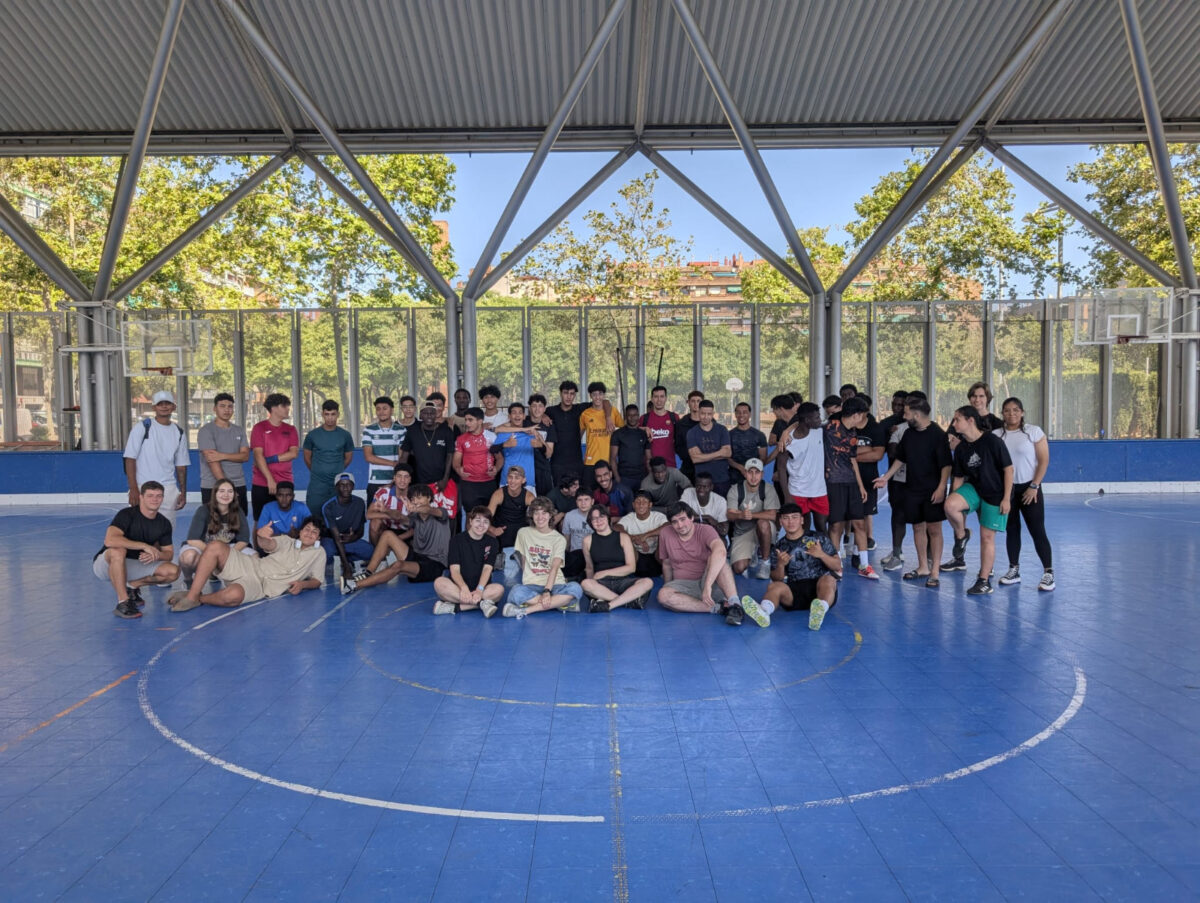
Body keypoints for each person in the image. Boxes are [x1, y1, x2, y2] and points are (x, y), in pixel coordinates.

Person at [166, 517, 324, 612]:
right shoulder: (287, 541)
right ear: (300, 532)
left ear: (318, 538)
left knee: (233, 596)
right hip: (251, 565)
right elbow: (268, 545)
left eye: (314, 531)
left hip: (261, 586)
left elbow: (317, 580)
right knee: (215, 546)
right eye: (307, 529)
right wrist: (261, 536)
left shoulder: (319, 553)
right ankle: (192, 594)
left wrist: (303, 584)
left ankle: (197, 598)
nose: (309, 533)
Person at [873, 395, 951, 588]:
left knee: (934, 529)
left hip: (932, 490)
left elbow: (946, 465)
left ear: (916, 414)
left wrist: (941, 488)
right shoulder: (908, 433)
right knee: (917, 527)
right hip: (912, 488)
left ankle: (934, 571)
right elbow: (901, 458)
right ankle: (923, 566)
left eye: (907, 413)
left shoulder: (938, 435)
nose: (903, 416)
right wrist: (886, 477)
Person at [943, 406, 1014, 595]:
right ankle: (962, 535)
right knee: (950, 505)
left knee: (986, 537)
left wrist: (1006, 499)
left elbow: (1008, 469)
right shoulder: (961, 448)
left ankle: (983, 581)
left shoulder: (992, 441)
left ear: (970, 421)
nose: (953, 423)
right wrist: (954, 498)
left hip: (996, 493)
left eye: (957, 419)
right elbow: (958, 477)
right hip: (975, 488)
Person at [93, 480, 180, 619]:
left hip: (134, 565)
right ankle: (123, 602)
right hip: (106, 564)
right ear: (141, 497)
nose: (155, 499)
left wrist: (157, 555)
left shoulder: (164, 523)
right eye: (150, 495)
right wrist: (144, 546)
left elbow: (169, 554)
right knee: (118, 551)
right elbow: (110, 540)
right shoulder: (126, 514)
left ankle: (132, 586)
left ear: (163, 498)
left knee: (173, 572)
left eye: (158, 496)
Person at [342, 483, 450, 593]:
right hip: (417, 557)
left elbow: (428, 510)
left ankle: (354, 585)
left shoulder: (441, 513)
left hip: (435, 564)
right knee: (387, 535)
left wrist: (416, 508)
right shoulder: (415, 517)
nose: (416, 501)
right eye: (413, 499)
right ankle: (368, 573)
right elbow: (399, 517)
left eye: (419, 498)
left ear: (429, 498)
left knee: (398, 565)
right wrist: (385, 510)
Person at [994, 397, 1054, 591]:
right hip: (1007, 491)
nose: (1011, 414)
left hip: (1030, 489)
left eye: (1015, 410)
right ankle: (1014, 570)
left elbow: (1043, 461)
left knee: (1037, 530)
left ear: (1022, 412)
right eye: (1007, 410)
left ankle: (1048, 573)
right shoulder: (996, 435)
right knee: (1012, 530)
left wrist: (1034, 486)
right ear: (1002, 414)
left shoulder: (1033, 432)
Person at [753, 502, 840, 630]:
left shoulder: (818, 538)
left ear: (802, 520)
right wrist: (781, 565)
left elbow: (837, 566)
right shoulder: (779, 546)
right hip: (795, 592)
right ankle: (764, 611)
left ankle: (820, 610)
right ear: (781, 522)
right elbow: (777, 579)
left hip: (820, 588)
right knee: (774, 586)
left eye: (794, 517)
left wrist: (822, 555)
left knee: (829, 579)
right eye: (786, 518)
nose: (791, 522)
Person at [656, 502, 747, 625]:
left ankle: (735, 605)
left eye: (683, 519)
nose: (680, 525)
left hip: (709, 581)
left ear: (691, 518)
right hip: (684, 586)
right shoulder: (665, 533)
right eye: (675, 522)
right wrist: (668, 585)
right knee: (663, 596)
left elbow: (721, 552)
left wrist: (707, 586)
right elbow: (666, 563)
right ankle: (718, 608)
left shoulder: (705, 530)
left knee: (719, 560)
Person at [823, 396, 878, 579]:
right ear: (856, 415)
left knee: (859, 523)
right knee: (836, 525)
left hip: (852, 483)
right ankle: (836, 564)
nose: (863, 419)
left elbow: (853, 459)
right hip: (833, 482)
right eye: (862, 415)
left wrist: (860, 485)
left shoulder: (853, 433)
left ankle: (864, 565)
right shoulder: (828, 428)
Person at [503, 496, 585, 617]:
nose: (540, 517)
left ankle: (526, 610)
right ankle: (560, 603)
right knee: (515, 592)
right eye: (536, 513)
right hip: (532, 584)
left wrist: (547, 591)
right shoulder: (523, 533)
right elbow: (524, 560)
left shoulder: (559, 539)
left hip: (556, 584)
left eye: (544, 513)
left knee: (576, 588)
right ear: (531, 515)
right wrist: (528, 580)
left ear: (550, 515)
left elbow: (555, 567)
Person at [123, 389, 189, 528]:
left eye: (167, 403)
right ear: (154, 407)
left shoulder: (179, 432)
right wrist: (133, 489)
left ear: (174, 406)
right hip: (143, 487)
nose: (164, 406)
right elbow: (130, 459)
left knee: (165, 530)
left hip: (168, 489)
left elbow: (181, 466)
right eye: (160, 404)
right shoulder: (142, 427)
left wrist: (183, 492)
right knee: (140, 531)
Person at [432, 506, 506, 617]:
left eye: (485, 522)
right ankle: (482, 604)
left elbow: (487, 568)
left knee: (499, 590)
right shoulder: (456, 540)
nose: (481, 525)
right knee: (439, 583)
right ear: (470, 521)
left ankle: (455, 607)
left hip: (482, 587)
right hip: (458, 587)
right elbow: (454, 570)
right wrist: (463, 588)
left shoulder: (493, 542)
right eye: (478, 520)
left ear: (489, 525)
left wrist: (479, 590)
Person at [580, 506, 654, 612]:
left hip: (623, 581)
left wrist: (604, 573)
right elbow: (589, 567)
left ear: (608, 518)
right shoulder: (587, 540)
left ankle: (609, 605)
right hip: (602, 584)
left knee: (647, 582)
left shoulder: (623, 537)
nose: (598, 521)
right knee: (585, 584)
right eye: (594, 518)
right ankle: (629, 601)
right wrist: (592, 586)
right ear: (590, 522)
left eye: (601, 516)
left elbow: (631, 568)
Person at [179, 478, 250, 585]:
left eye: (230, 491)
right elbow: (193, 540)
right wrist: (214, 554)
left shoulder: (238, 511)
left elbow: (243, 540)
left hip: (229, 548)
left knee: (253, 557)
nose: (226, 495)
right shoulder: (203, 510)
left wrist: (228, 555)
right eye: (222, 491)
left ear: (235, 494)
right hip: (204, 546)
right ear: (215, 494)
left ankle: (221, 576)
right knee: (189, 557)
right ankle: (188, 580)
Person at [400, 402, 457, 518]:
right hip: (420, 482)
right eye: (426, 413)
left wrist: (445, 479)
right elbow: (404, 457)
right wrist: (401, 478)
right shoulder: (412, 431)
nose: (429, 415)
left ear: (436, 415)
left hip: (441, 482)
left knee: (446, 515)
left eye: (432, 413)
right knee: (421, 515)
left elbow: (450, 456)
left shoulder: (446, 431)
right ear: (420, 415)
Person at [725, 458, 780, 578]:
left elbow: (772, 515)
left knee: (763, 523)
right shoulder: (735, 489)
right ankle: (753, 551)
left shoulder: (768, 489)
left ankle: (765, 562)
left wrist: (751, 515)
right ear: (745, 473)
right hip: (742, 533)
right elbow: (729, 515)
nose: (754, 476)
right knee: (739, 568)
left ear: (762, 474)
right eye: (750, 472)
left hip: (763, 530)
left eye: (757, 472)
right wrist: (740, 515)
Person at [850, 394, 888, 569]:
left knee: (864, 515)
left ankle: (858, 552)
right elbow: (841, 451)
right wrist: (866, 450)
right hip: (846, 477)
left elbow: (877, 454)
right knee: (844, 516)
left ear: (866, 411)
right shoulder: (847, 427)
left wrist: (852, 456)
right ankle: (841, 550)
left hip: (868, 478)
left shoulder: (875, 428)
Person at [250, 392, 300, 522]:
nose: (288, 408)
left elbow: (293, 453)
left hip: (285, 482)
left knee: (286, 520)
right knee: (260, 521)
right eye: (284, 406)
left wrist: (269, 459)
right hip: (261, 483)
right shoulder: (259, 428)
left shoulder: (291, 429)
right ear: (273, 408)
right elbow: (258, 455)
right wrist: (270, 479)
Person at [196, 392, 249, 512]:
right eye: (222, 406)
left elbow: (245, 456)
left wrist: (222, 455)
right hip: (213, 486)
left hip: (238, 483)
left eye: (230, 406)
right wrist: (226, 487)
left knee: (238, 520)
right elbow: (212, 460)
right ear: (215, 409)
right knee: (214, 521)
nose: (227, 410)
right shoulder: (206, 431)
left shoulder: (239, 430)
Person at [778, 402, 827, 532]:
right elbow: (781, 468)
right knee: (802, 530)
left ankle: (824, 547)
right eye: (817, 417)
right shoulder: (788, 440)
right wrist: (787, 495)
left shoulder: (819, 431)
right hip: (797, 490)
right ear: (807, 420)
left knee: (822, 527)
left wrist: (786, 430)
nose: (820, 420)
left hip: (819, 490)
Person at [303, 399, 356, 518]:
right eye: (327, 414)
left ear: (338, 414)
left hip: (337, 484)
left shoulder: (345, 435)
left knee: (336, 518)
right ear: (322, 414)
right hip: (317, 485)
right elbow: (307, 458)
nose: (330, 418)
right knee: (315, 517)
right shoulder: (312, 435)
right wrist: (318, 471)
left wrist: (336, 470)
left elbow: (348, 458)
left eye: (333, 414)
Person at [877, 390, 911, 571]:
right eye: (894, 405)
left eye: (901, 405)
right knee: (897, 512)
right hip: (896, 476)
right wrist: (890, 437)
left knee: (923, 519)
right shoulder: (887, 424)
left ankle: (928, 558)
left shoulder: (922, 427)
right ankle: (897, 551)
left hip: (918, 479)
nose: (897, 408)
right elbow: (887, 451)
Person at [487, 464, 535, 585]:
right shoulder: (498, 494)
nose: (512, 481)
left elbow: (539, 518)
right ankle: (498, 554)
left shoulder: (529, 496)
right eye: (510, 477)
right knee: (487, 532)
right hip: (501, 530)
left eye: (517, 478)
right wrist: (493, 529)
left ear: (523, 480)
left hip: (520, 531)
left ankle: (521, 552)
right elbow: (486, 518)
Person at [454, 407, 502, 522]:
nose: (467, 423)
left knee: (489, 516)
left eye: (470, 420)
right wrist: (458, 469)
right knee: (470, 517)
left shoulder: (491, 437)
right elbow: (456, 460)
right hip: (469, 484)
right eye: (466, 420)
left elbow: (500, 458)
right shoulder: (461, 439)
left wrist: (496, 469)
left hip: (488, 483)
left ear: (480, 421)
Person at [320, 472, 372, 573]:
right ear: (336, 487)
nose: (345, 488)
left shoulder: (360, 503)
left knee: (370, 552)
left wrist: (354, 537)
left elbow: (361, 531)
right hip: (333, 541)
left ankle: (348, 558)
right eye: (342, 485)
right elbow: (337, 539)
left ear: (353, 486)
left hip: (350, 541)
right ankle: (330, 562)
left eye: (348, 484)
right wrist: (346, 567)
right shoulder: (328, 506)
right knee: (326, 551)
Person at [362, 396, 407, 502]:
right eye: (378, 409)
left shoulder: (401, 430)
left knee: (396, 511)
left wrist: (395, 479)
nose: (381, 412)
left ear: (392, 410)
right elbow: (368, 457)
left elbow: (402, 457)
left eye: (385, 408)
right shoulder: (369, 430)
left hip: (396, 481)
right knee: (374, 511)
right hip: (375, 481)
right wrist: (392, 463)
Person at [580, 382, 623, 489]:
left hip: (608, 460)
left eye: (600, 394)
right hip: (591, 461)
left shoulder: (613, 411)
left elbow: (624, 428)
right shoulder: (585, 414)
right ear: (590, 396)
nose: (597, 397)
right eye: (594, 394)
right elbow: (578, 436)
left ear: (604, 395)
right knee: (589, 491)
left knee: (608, 492)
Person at [686, 399, 733, 496]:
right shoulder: (692, 433)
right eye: (703, 413)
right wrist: (720, 453)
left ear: (713, 414)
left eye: (709, 414)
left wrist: (703, 456)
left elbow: (728, 453)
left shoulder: (722, 430)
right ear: (698, 413)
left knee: (722, 505)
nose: (706, 417)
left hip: (722, 479)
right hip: (702, 482)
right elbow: (695, 459)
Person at [616, 490, 667, 577]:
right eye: (638, 502)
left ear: (650, 505)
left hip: (657, 556)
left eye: (644, 502)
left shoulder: (658, 516)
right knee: (625, 540)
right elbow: (616, 528)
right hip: (636, 558)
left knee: (665, 535)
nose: (641, 505)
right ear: (633, 505)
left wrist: (645, 536)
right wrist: (634, 538)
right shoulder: (629, 517)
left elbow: (667, 526)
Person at [544, 381, 585, 485]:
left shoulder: (580, 409)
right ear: (560, 393)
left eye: (572, 394)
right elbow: (536, 414)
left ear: (575, 395)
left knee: (576, 491)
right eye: (566, 393)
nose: (568, 397)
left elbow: (604, 402)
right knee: (559, 491)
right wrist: (543, 416)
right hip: (557, 462)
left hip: (576, 462)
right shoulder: (551, 411)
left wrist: (608, 417)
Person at [493, 401, 541, 485]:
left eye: (520, 413)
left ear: (524, 416)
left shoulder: (531, 434)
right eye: (514, 413)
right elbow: (492, 450)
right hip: (507, 480)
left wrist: (540, 443)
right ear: (509, 416)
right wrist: (505, 444)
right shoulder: (503, 434)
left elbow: (547, 453)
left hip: (528, 480)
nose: (517, 415)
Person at [255, 480, 311, 552]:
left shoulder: (302, 508)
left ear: (293, 496)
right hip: (274, 544)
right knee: (262, 547)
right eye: (280, 495)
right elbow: (261, 534)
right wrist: (286, 536)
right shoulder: (268, 508)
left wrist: (298, 534)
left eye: (288, 495)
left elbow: (312, 529)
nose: (284, 499)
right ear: (276, 496)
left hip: (296, 544)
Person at [949, 381, 1004, 451]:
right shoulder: (959, 418)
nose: (977, 400)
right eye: (974, 396)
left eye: (981, 396)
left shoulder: (997, 423)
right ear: (970, 398)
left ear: (987, 398)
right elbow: (950, 438)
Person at [366, 462, 412, 544]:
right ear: (394, 478)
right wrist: (391, 515)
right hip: (387, 528)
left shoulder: (415, 496)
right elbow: (368, 515)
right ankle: (377, 550)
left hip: (406, 532)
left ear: (410, 479)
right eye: (399, 476)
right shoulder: (383, 492)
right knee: (375, 522)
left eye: (406, 477)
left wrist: (393, 540)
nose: (402, 480)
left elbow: (415, 527)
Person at [610, 403, 650, 488]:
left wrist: (650, 476)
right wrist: (617, 477)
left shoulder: (644, 434)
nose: (632, 418)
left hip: (642, 477)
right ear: (625, 416)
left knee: (642, 497)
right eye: (629, 415)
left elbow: (649, 458)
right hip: (624, 478)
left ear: (638, 416)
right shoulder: (618, 434)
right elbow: (613, 458)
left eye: (635, 415)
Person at [728, 402, 768, 487]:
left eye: (744, 412)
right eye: (738, 412)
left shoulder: (759, 435)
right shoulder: (729, 435)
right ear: (735, 414)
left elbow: (763, 459)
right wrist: (740, 467)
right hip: (733, 479)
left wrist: (751, 471)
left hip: (754, 480)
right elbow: (726, 457)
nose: (741, 415)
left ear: (749, 414)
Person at [524, 394, 557, 495]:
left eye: (540, 406)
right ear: (529, 408)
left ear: (544, 409)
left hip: (542, 469)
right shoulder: (523, 423)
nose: (537, 409)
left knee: (544, 501)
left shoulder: (549, 426)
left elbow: (549, 454)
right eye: (534, 406)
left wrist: (540, 441)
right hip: (524, 469)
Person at [560, 486, 595, 579]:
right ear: (576, 502)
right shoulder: (569, 516)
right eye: (580, 500)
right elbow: (567, 539)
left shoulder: (598, 515)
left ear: (592, 501)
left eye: (586, 499)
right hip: (575, 555)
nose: (583, 503)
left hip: (593, 554)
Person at [679, 472, 728, 538]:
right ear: (695, 485)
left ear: (711, 487)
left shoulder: (720, 501)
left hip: (711, 535)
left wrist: (693, 516)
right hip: (691, 533)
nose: (701, 489)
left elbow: (724, 531)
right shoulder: (688, 492)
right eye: (698, 486)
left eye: (705, 487)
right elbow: (680, 514)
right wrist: (707, 518)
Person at [640, 386, 680, 466]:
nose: (659, 400)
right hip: (650, 467)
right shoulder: (644, 418)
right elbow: (631, 432)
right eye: (656, 397)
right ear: (652, 399)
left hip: (670, 465)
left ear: (666, 398)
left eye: (662, 396)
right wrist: (643, 428)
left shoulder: (674, 417)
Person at [674, 390, 704, 482]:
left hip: (706, 465)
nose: (696, 404)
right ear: (688, 403)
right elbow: (678, 446)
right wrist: (691, 456)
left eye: (698, 401)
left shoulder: (710, 422)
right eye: (693, 401)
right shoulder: (681, 424)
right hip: (687, 467)